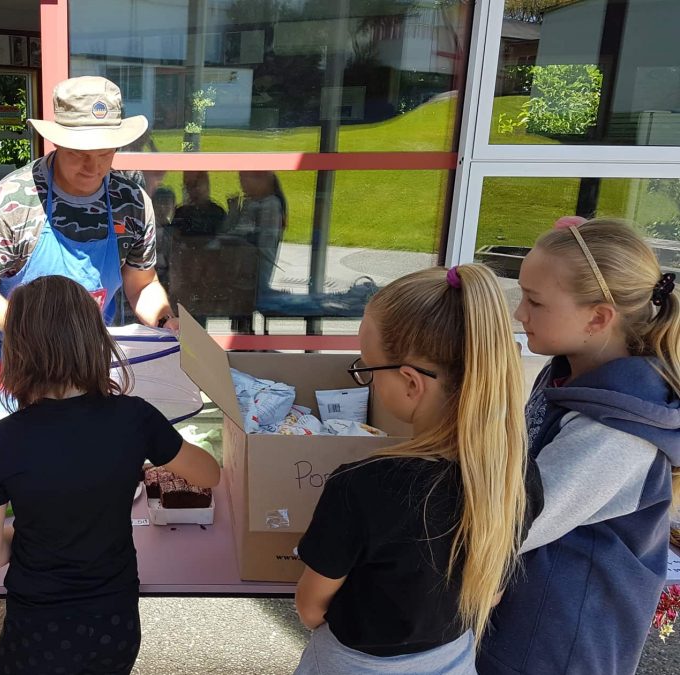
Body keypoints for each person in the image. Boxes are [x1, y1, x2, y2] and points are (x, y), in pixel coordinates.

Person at [0, 76, 178, 673]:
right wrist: (30, 335)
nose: (93, 163)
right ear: (53, 140)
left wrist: (162, 322)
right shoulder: (12, 200)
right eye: (79, 150)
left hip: (91, 374)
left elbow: (140, 285)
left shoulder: (130, 198)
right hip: (13, 372)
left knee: (80, 502)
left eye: (105, 149)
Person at [0, 275, 221, 675]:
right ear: (95, 340)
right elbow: (209, 474)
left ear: (17, 348)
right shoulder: (134, 418)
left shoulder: (0, 441)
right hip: (114, 623)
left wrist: (30, 532)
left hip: (36, 631)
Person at [294, 264, 539, 674]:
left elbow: (310, 608)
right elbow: (491, 593)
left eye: (367, 368)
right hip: (454, 660)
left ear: (411, 382)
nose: (367, 380)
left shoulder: (360, 487)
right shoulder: (516, 473)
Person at [479, 218, 680, 675]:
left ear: (598, 317)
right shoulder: (574, 368)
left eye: (534, 301)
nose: (518, 313)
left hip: (550, 649)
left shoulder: (616, 432)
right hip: (525, 626)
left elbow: (515, 523)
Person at [224, 170, 287, 302]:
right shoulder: (252, 203)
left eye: (244, 179)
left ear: (262, 180)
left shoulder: (270, 205)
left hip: (254, 276)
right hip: (242, 274)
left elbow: (256, 241)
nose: (241, 185)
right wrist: (234, 212)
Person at [171, 171, 226, 236]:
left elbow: (222, 240)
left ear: (207, 184)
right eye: (188, 185)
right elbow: (174, 239)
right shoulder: (180, 214)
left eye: (196, 184)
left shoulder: (217, 213)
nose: (193, 190)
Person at [152, 186, 176, 288]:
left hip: (170, 277)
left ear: (173, 206)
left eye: (166, 203)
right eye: (159, 203)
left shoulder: (174, 229)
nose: (162, 207)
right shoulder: (147, 229)